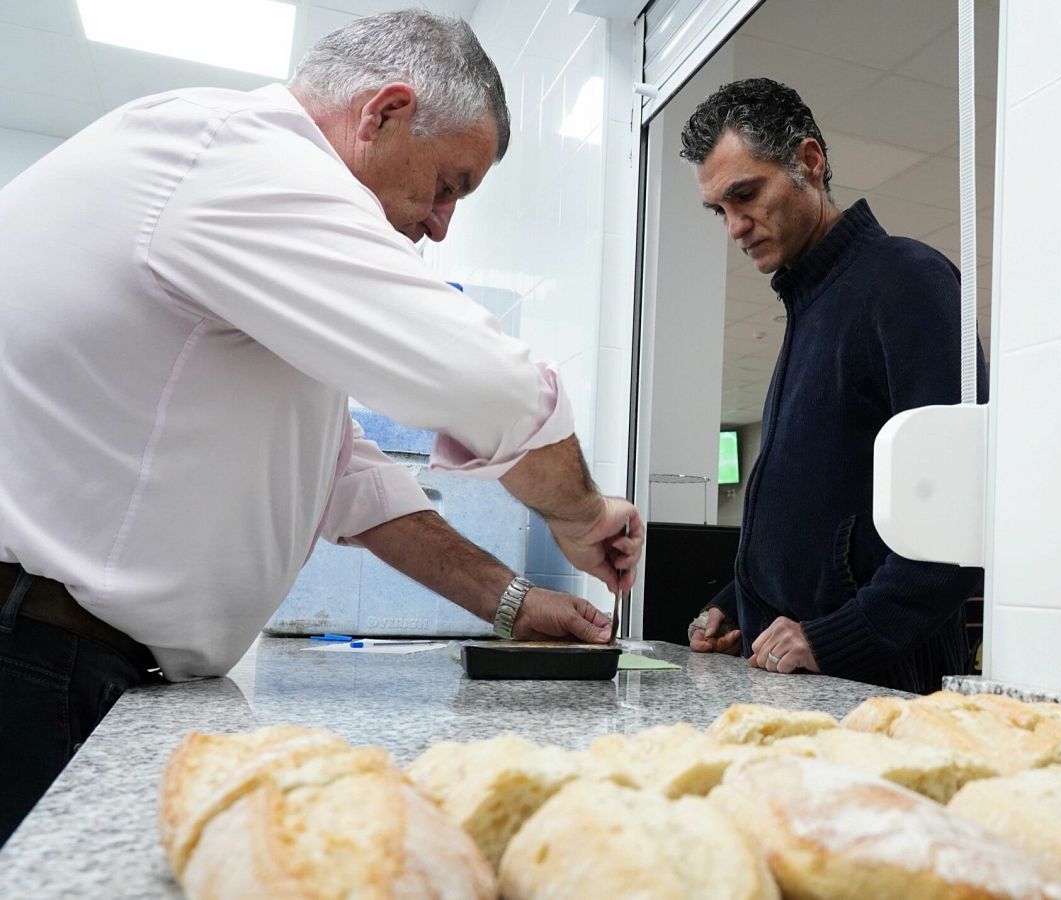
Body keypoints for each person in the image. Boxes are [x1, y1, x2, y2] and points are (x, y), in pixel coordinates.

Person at [0, 11, 641, 844]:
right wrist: (583, 514)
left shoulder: (242, 223)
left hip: (70, 658)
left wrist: (512, 601)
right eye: (449, 183)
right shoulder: (238, 160)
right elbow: (487, 382)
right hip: (33, 657)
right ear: (384, 113)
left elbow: (340, 473)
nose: (442, 224)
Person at [680, 78, 985, 694]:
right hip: (797, 673)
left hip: (882, 677)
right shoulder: (808, 302)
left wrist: (838, 635)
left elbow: (962, 512)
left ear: (809, 163)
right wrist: (737, 601)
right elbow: (815, 505)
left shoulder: (909, 282)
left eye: (746, 195)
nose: (736, 227)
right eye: (721, 210)